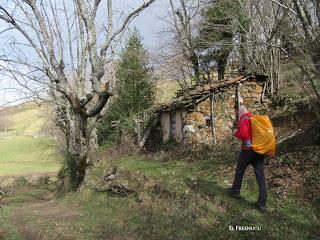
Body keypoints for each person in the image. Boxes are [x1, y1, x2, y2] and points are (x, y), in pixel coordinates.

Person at [228, 105, 267, 212]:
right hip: (259, 151)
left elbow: (244, 134)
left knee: (240, 170)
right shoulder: (253, 118)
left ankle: (235, 191)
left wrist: (236, 133)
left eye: (238, 113)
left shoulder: (244, 118)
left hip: (248, 151)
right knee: (260, 176)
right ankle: (262, 203)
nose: (238, 115)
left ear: (241, 112)